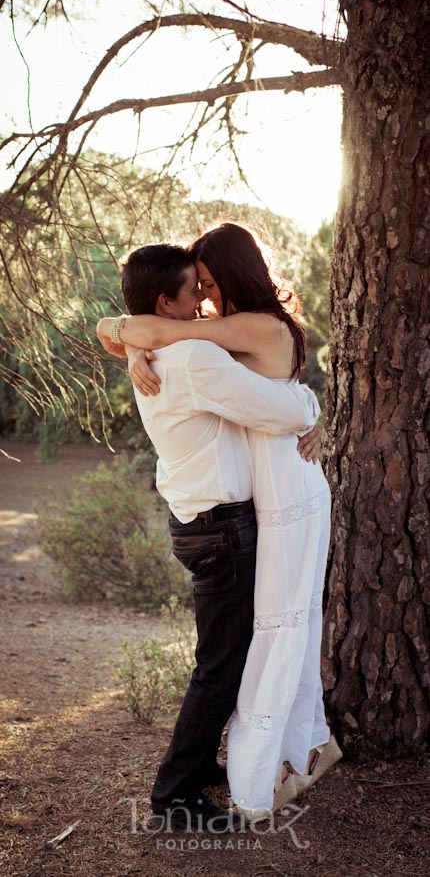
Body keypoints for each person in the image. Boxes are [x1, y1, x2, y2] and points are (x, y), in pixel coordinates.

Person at [97, 223, 341, 822]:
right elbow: (281, 407)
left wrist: (123, 335)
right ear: (165, 305)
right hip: (223, 524)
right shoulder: (196, 355)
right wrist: (313, 406)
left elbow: (274, 400)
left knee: (234, 650)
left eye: (208, 285)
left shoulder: (182, 346)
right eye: (193, 290)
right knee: (225, 661)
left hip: (224, 513)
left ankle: (208, 765)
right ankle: (176, 796)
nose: (201, 302)